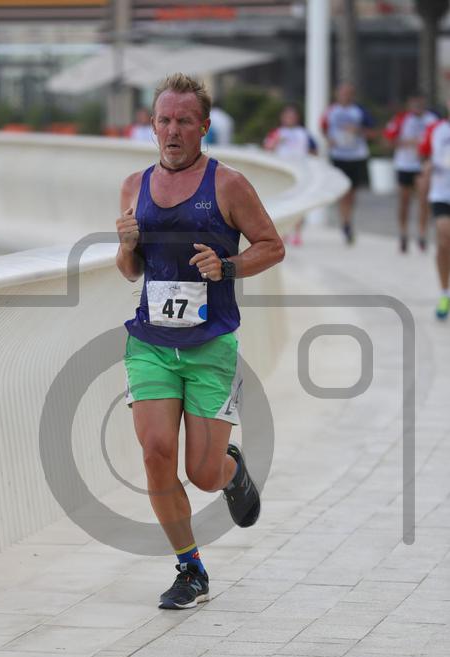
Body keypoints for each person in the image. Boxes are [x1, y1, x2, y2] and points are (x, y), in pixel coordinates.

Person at [116, 73, 284, 609]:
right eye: (164, 120)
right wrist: (125, 247)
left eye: (184, 121)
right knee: (156, 453)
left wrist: (227, 266)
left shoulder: (228, 184)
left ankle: (230, 471)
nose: (173, 130)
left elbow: (272, 245)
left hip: (210, 344)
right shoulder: (134, 186)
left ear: (204, 127)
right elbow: (130, 270)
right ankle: (191, 568)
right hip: (150, 343)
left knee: (202, 473)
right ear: (152, 126)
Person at [384, 93, 438, 253]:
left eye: (420, 103)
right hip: (405, 164)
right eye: (414, 103)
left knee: (423, 199)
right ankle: (403, 233)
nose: (417, 106)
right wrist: (406, 142)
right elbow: (388, 141)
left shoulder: (432, 120)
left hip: (423, 165)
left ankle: (422, 233)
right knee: (404, 200)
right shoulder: (401, 119)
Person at [321, 83, 374, 244]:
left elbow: (372, 132)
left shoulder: (359, 111)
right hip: (339, 156)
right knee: (343, 191)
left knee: (352, 192)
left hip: (356, 156)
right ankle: (345, 223)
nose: (345, 96)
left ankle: (348, 220)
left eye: (348, 93)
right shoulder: (331, 111)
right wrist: (329, 139)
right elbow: (323, 128)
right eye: (342, 93)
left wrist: (357, 130)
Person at [264, 103, 317, 245]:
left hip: (300, 173)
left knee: (298, 204)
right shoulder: (277, 132)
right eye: (287, 116)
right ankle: (284, 232)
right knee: (284, 203)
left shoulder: (303, 133)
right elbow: (267, 148)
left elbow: (314, 151)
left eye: (292, 116)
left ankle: (297, 233)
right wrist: (276, 142)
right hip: (282, 173)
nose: (290, 119)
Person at [419, 111, 450, 319]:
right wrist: (427, 166)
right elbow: (423, 155)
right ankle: (444, 293)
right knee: (445, 239)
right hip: (442, 194)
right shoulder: (436, 129)